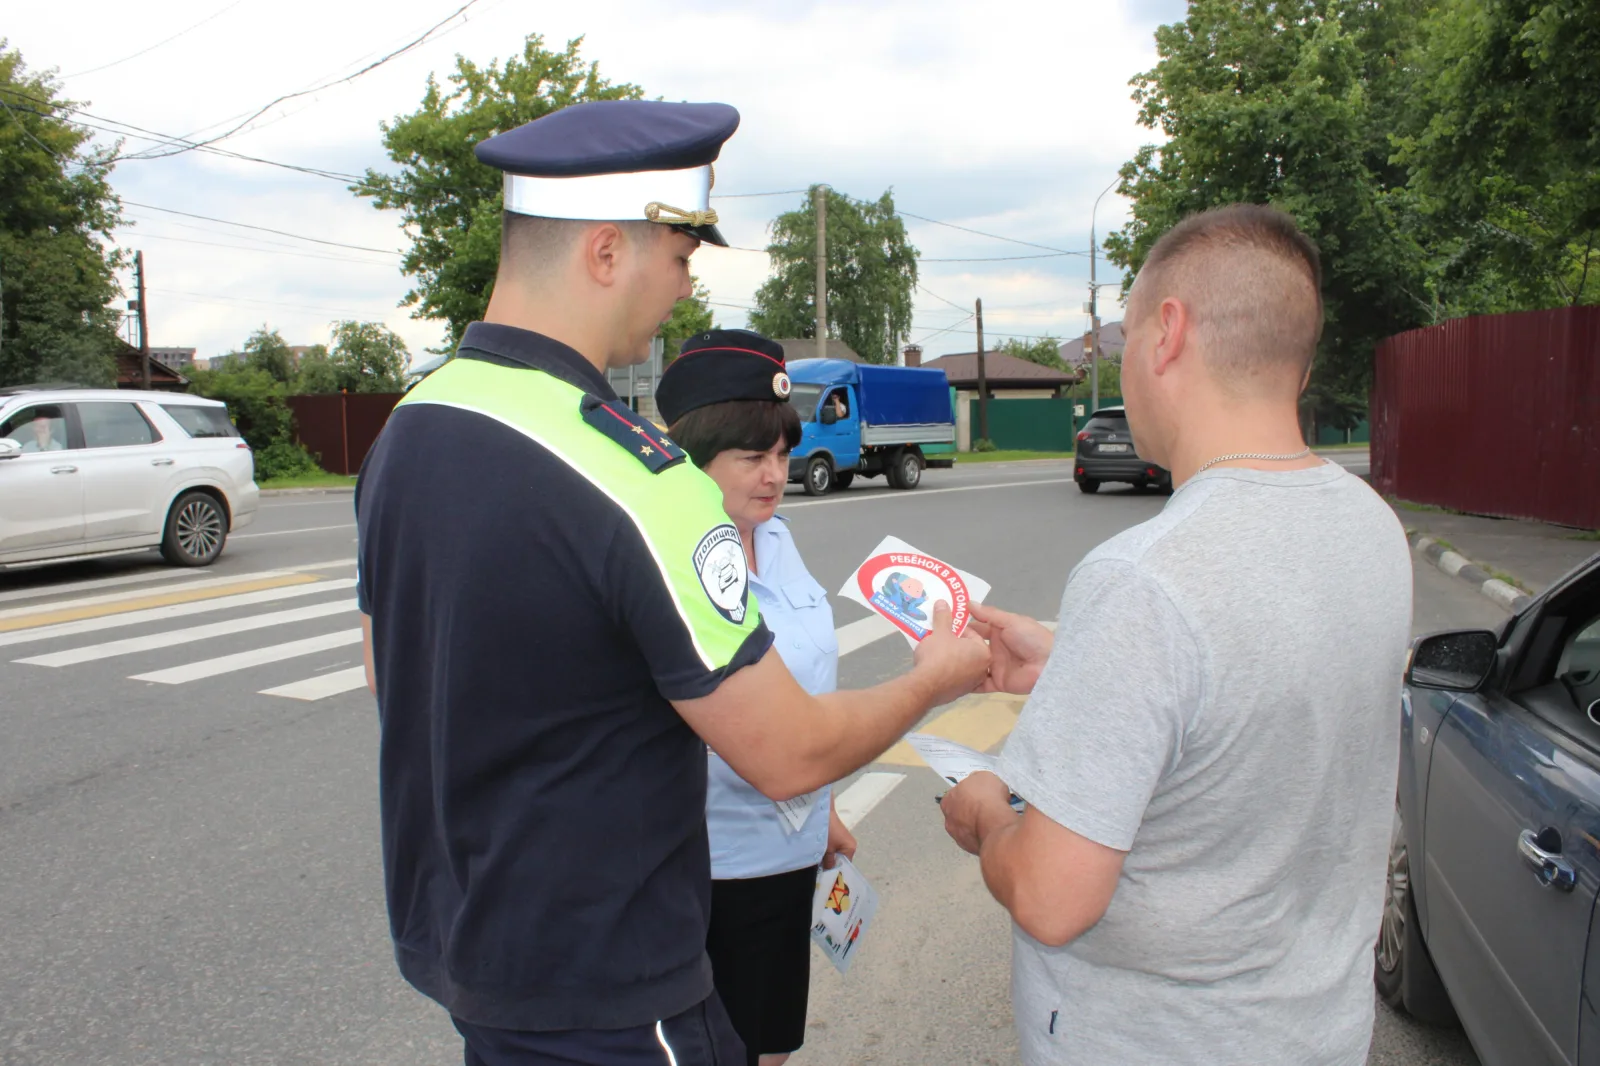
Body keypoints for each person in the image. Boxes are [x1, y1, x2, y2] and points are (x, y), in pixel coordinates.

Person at [354, 99, 988, 1066]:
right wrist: (931, 680)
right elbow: (784, 753)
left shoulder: (412, 427)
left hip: (470, 950)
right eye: (680, 257)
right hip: (609, 984)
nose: (683, 291)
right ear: (606, 251)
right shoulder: (636, 475)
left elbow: (388, 670)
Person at [938, 204, 1412, 1066]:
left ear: (1167, 335)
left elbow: (1052, 897)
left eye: (1123, 336)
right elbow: (1255, 695)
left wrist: (982, 811)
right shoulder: (1371, 525)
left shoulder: (1142, 578)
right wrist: (1076, 667)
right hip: (1320, 1033)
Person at [655, 328, 854, 1066]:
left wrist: (823, 805)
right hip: (708, 867)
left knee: (767, 1048)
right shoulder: (675, 559)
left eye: (781, 453)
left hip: (786, 854)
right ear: (695, 457)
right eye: (752, 456)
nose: (776, 474)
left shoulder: (775, 538)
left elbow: (802, 678)